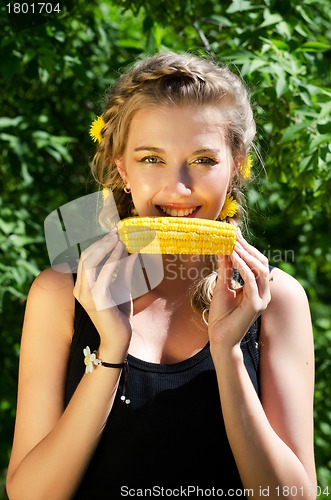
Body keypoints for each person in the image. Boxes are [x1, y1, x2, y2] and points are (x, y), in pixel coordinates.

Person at [6, 51, 316, 499]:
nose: (179, 188)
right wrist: (111, 350)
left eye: (204, 160)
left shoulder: (275, 299)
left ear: (236, 168)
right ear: (123, 171)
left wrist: (227, 352)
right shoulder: (59, 294)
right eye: (152, 159)